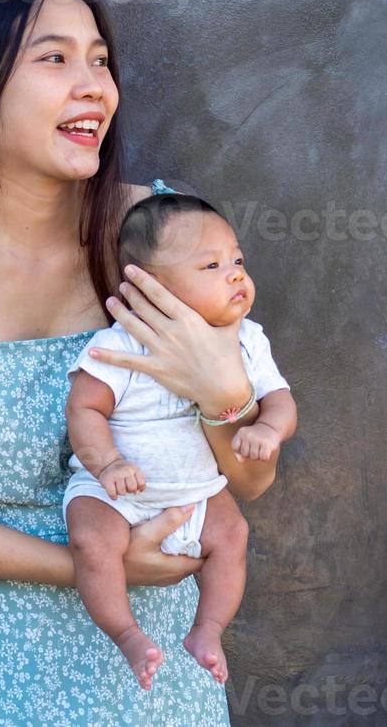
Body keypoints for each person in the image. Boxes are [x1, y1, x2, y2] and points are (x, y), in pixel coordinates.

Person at [0, 0, 297, 725]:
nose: (94, 86)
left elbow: (245, 483)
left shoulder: (154, 234)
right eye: (54, 58)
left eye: (100, 60)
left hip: (155, 683)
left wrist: (224, 401)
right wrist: (98, 565)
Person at [63, 190, 296, 690]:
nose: (236, 273)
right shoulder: (120, 344)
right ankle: (125, 632)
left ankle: (207, 631)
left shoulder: (249, 340)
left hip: (197, 494)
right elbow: (85, 408)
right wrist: (106, 464)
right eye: (210, 265)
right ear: (150, 289)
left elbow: (280, 400)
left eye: (238, 260)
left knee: (232, 536)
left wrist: (266, 428)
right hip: (115, 493)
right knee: (91, 539)